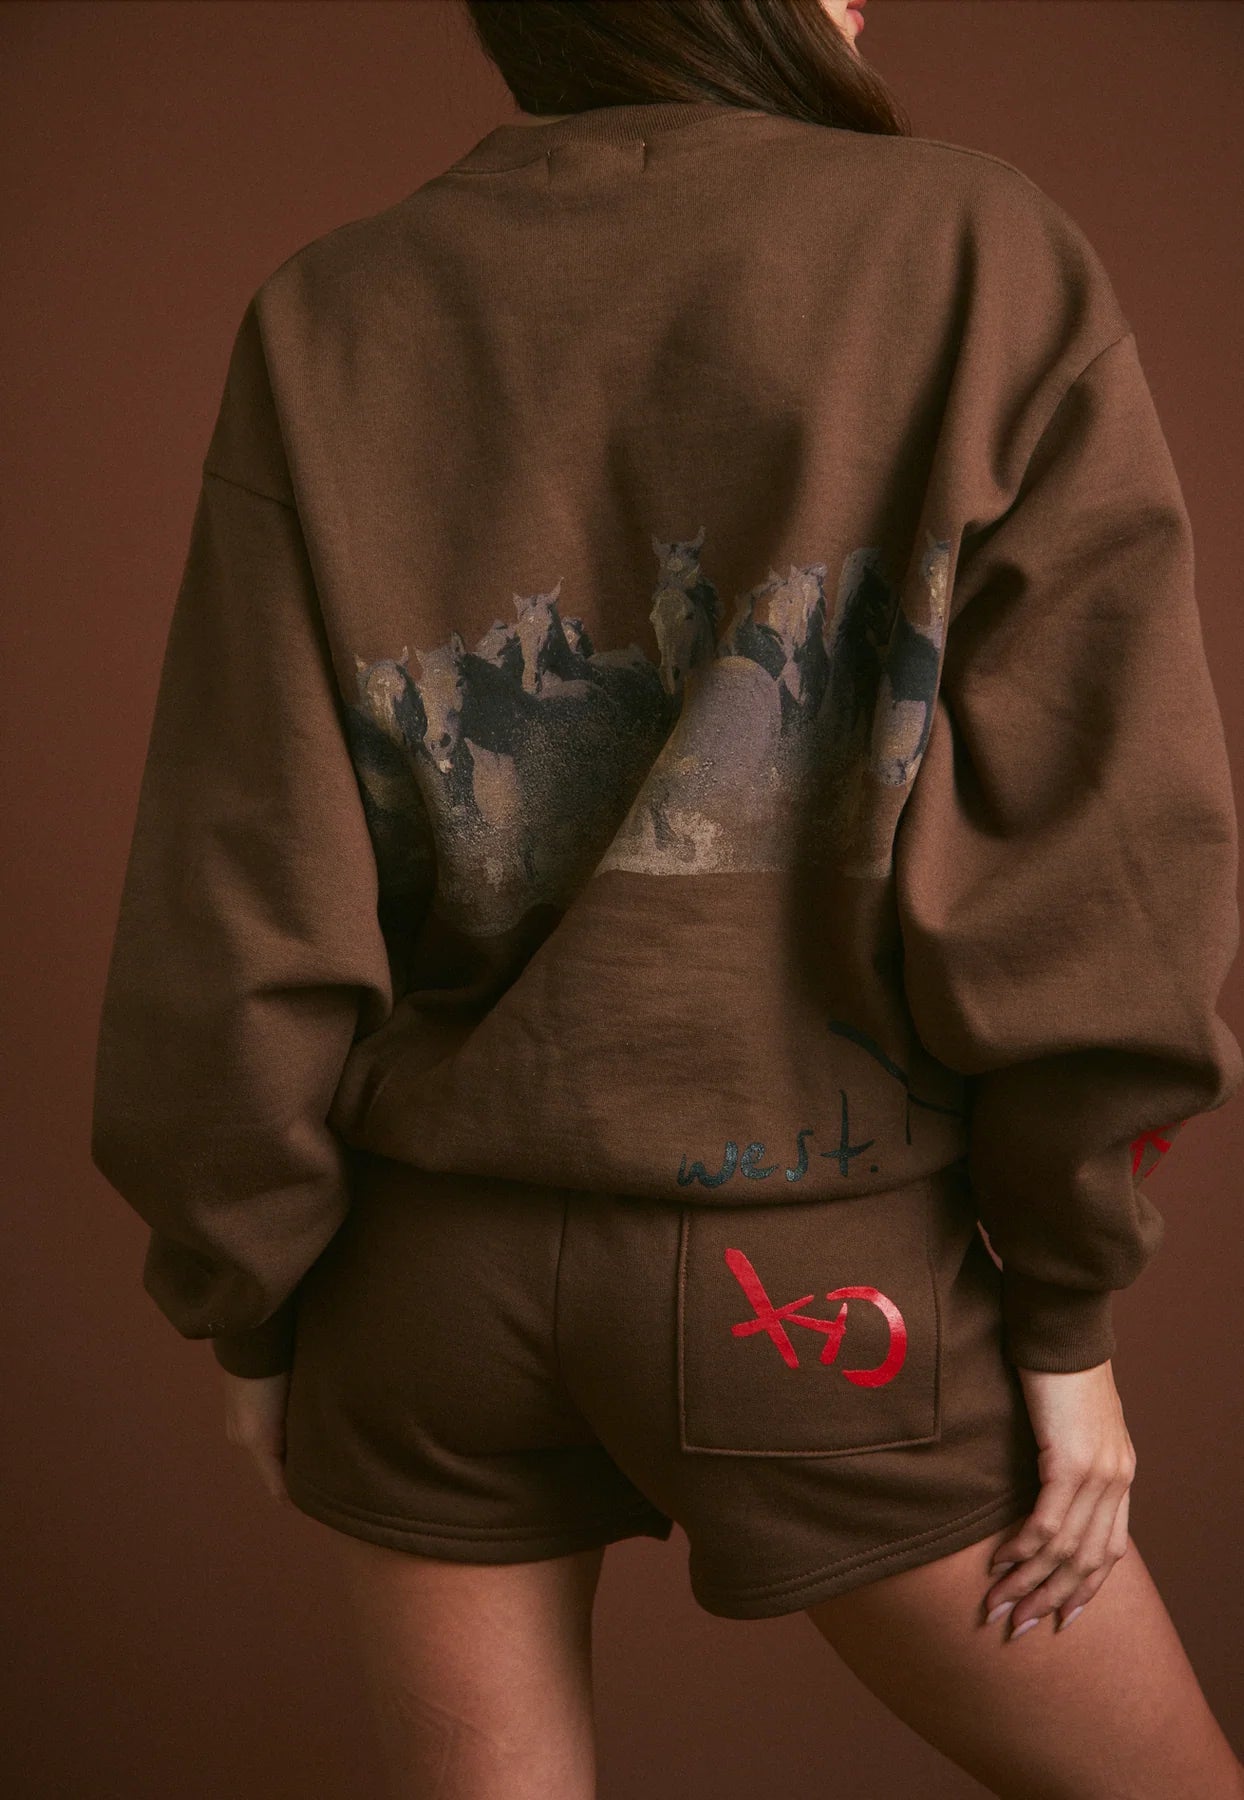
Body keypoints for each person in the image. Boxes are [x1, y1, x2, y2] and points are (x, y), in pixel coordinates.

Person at [90, 1, 1244, 1794]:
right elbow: (1100, 852)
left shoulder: (329, 308)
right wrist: (1068, 1307)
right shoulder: (966, 247)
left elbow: (236, 870)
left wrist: (248, 1294)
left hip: (416, 1292)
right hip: (812, 1275)